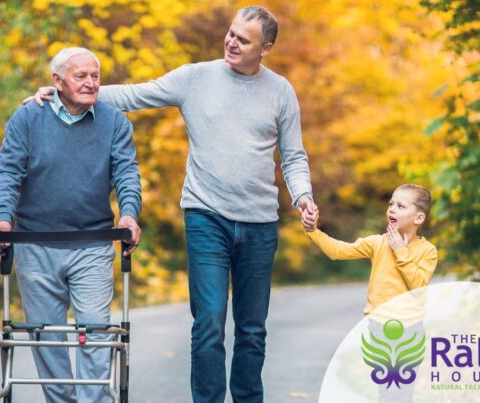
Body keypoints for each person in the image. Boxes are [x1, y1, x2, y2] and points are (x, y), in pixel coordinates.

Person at [26, 5, 316, 403]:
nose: (231, 42)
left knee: (252, 329)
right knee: (210, 321)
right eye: (231, 33)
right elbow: (134, 94)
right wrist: (65, 90)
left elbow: (294, 155)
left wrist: (303, 196)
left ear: (265, 48)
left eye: (243, 40)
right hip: (206, 216)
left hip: (260, 223)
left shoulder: (280, 91)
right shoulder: (195, 78)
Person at [0, 47, 141, 403]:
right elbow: (9, 172)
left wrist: (130, 213)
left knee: (96, 332)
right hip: (35, 244)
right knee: (47, 337)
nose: (90, 83)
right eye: (81, 76)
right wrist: (1, 219)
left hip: (93, 242)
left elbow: (127, 174)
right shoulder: (28, 117)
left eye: (95, 76)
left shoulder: (114, 121)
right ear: (57, 81)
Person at [303, 183, 438, 318]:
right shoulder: (377, 242)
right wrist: (313, 231)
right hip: (376, 322)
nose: (392, 209)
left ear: (418, 218)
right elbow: (337, 251)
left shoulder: (428, 251)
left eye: (400, 206)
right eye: (391, 204)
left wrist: (400, 251)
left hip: (410, 325)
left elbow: (418, 289)